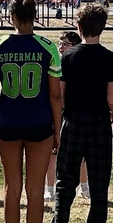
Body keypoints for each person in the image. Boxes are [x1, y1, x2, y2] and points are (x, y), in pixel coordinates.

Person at [0, 0, 61, 223]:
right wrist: (58, 130)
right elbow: (55, 95)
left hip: (8, 123)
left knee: (11, 188)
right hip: (40, 123)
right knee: (35, 190)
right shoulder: (48, 47)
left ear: (12, 17)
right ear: (35, 16)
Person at [51, 3, 113, 223]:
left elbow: (61, 95)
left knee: (65, 182)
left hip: (73, 121)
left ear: (79, 27)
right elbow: (111, 97)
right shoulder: (110, 58)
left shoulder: (68, 57)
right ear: (101, 28)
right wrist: (112, 112)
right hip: (100, 123)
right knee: (99, 185)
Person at [45, 32, 88, 201]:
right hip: (55, 112)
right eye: (60, 43)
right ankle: (49, 188)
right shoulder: (53, 64)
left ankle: (84, 187)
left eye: (66, 43)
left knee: (81, 154)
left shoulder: (80, 65)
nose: (61, 47)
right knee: (52, 151)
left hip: (75, 112)